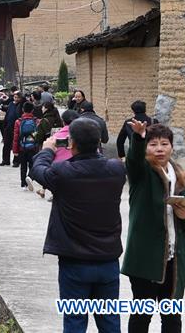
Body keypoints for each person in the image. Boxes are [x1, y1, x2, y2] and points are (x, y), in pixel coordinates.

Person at [30, 118, 127, 333]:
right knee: (110, 321)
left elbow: (38, 170)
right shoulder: (116, 170)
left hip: (75, 261)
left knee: (74, 320)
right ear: (100, 142)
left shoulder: (63, 172)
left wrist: (47, 149)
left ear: (71, 143)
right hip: (108, 260)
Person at [121, 122, 185, 333]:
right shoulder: (142, 173)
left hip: (175, 259)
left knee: (172, 317)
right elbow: (134, 160)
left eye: (164, 144)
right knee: (141, 315)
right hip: (145, 258)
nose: (159, 148)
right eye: (153, 144)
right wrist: (138, 138)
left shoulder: (180, 175)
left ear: (171, 147)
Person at [29, 109, 78, 201]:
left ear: (63, 121)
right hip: (77, 171)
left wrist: (46, 150)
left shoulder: (55, 137)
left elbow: (38, 170)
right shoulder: (81, 136)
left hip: (59, 173)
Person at [13, 101, 39, 187]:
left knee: (23, 166)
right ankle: (30, 178)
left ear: (23, 110)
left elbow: (16, 137)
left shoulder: (18, 121)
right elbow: (38, 135)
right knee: (32, 165)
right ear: (32, 110)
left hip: (22, 147)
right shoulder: (36, 121)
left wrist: (15, 150)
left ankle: (23, 183)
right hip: (33, 147)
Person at [0, 91, 23, 166]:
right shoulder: (11, 104)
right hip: (8, 126)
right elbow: (7, 113)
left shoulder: (21, 105)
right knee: (6, 144)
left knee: (16, 144)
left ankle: (16, 161)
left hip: (16, 127)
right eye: (14, 97)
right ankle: (5, 160)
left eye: (17, 97)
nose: (15, 99)